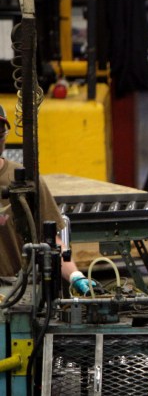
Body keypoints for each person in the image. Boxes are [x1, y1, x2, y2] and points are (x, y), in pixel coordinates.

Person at [0, 104, 92, 294]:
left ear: (5, 136)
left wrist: (75, 276)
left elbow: (49, 240)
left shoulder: (24, 180)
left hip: (16, 291)